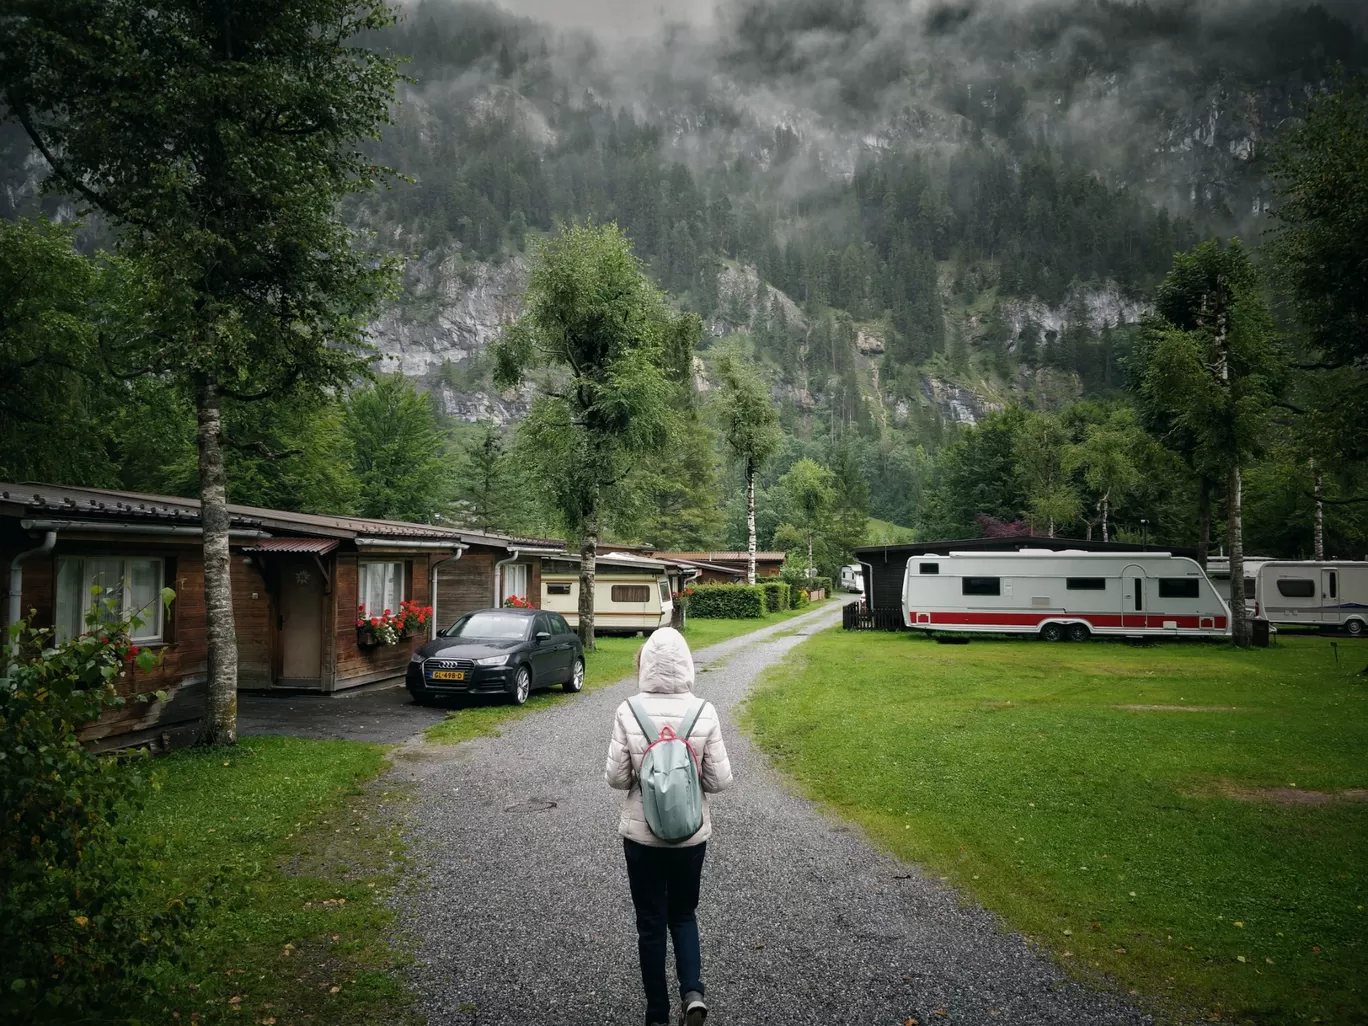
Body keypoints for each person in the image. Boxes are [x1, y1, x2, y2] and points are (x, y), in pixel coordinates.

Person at [605, 627, 733, 1026]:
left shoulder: (628, 710)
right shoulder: (704, 711)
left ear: (644, 664)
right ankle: (693, 993)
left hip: (642, 836)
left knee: (650, 923)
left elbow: (616, 778)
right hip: (691, 834)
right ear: (687, 663)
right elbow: (718, 781)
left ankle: (657, 1015)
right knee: (683, 913)